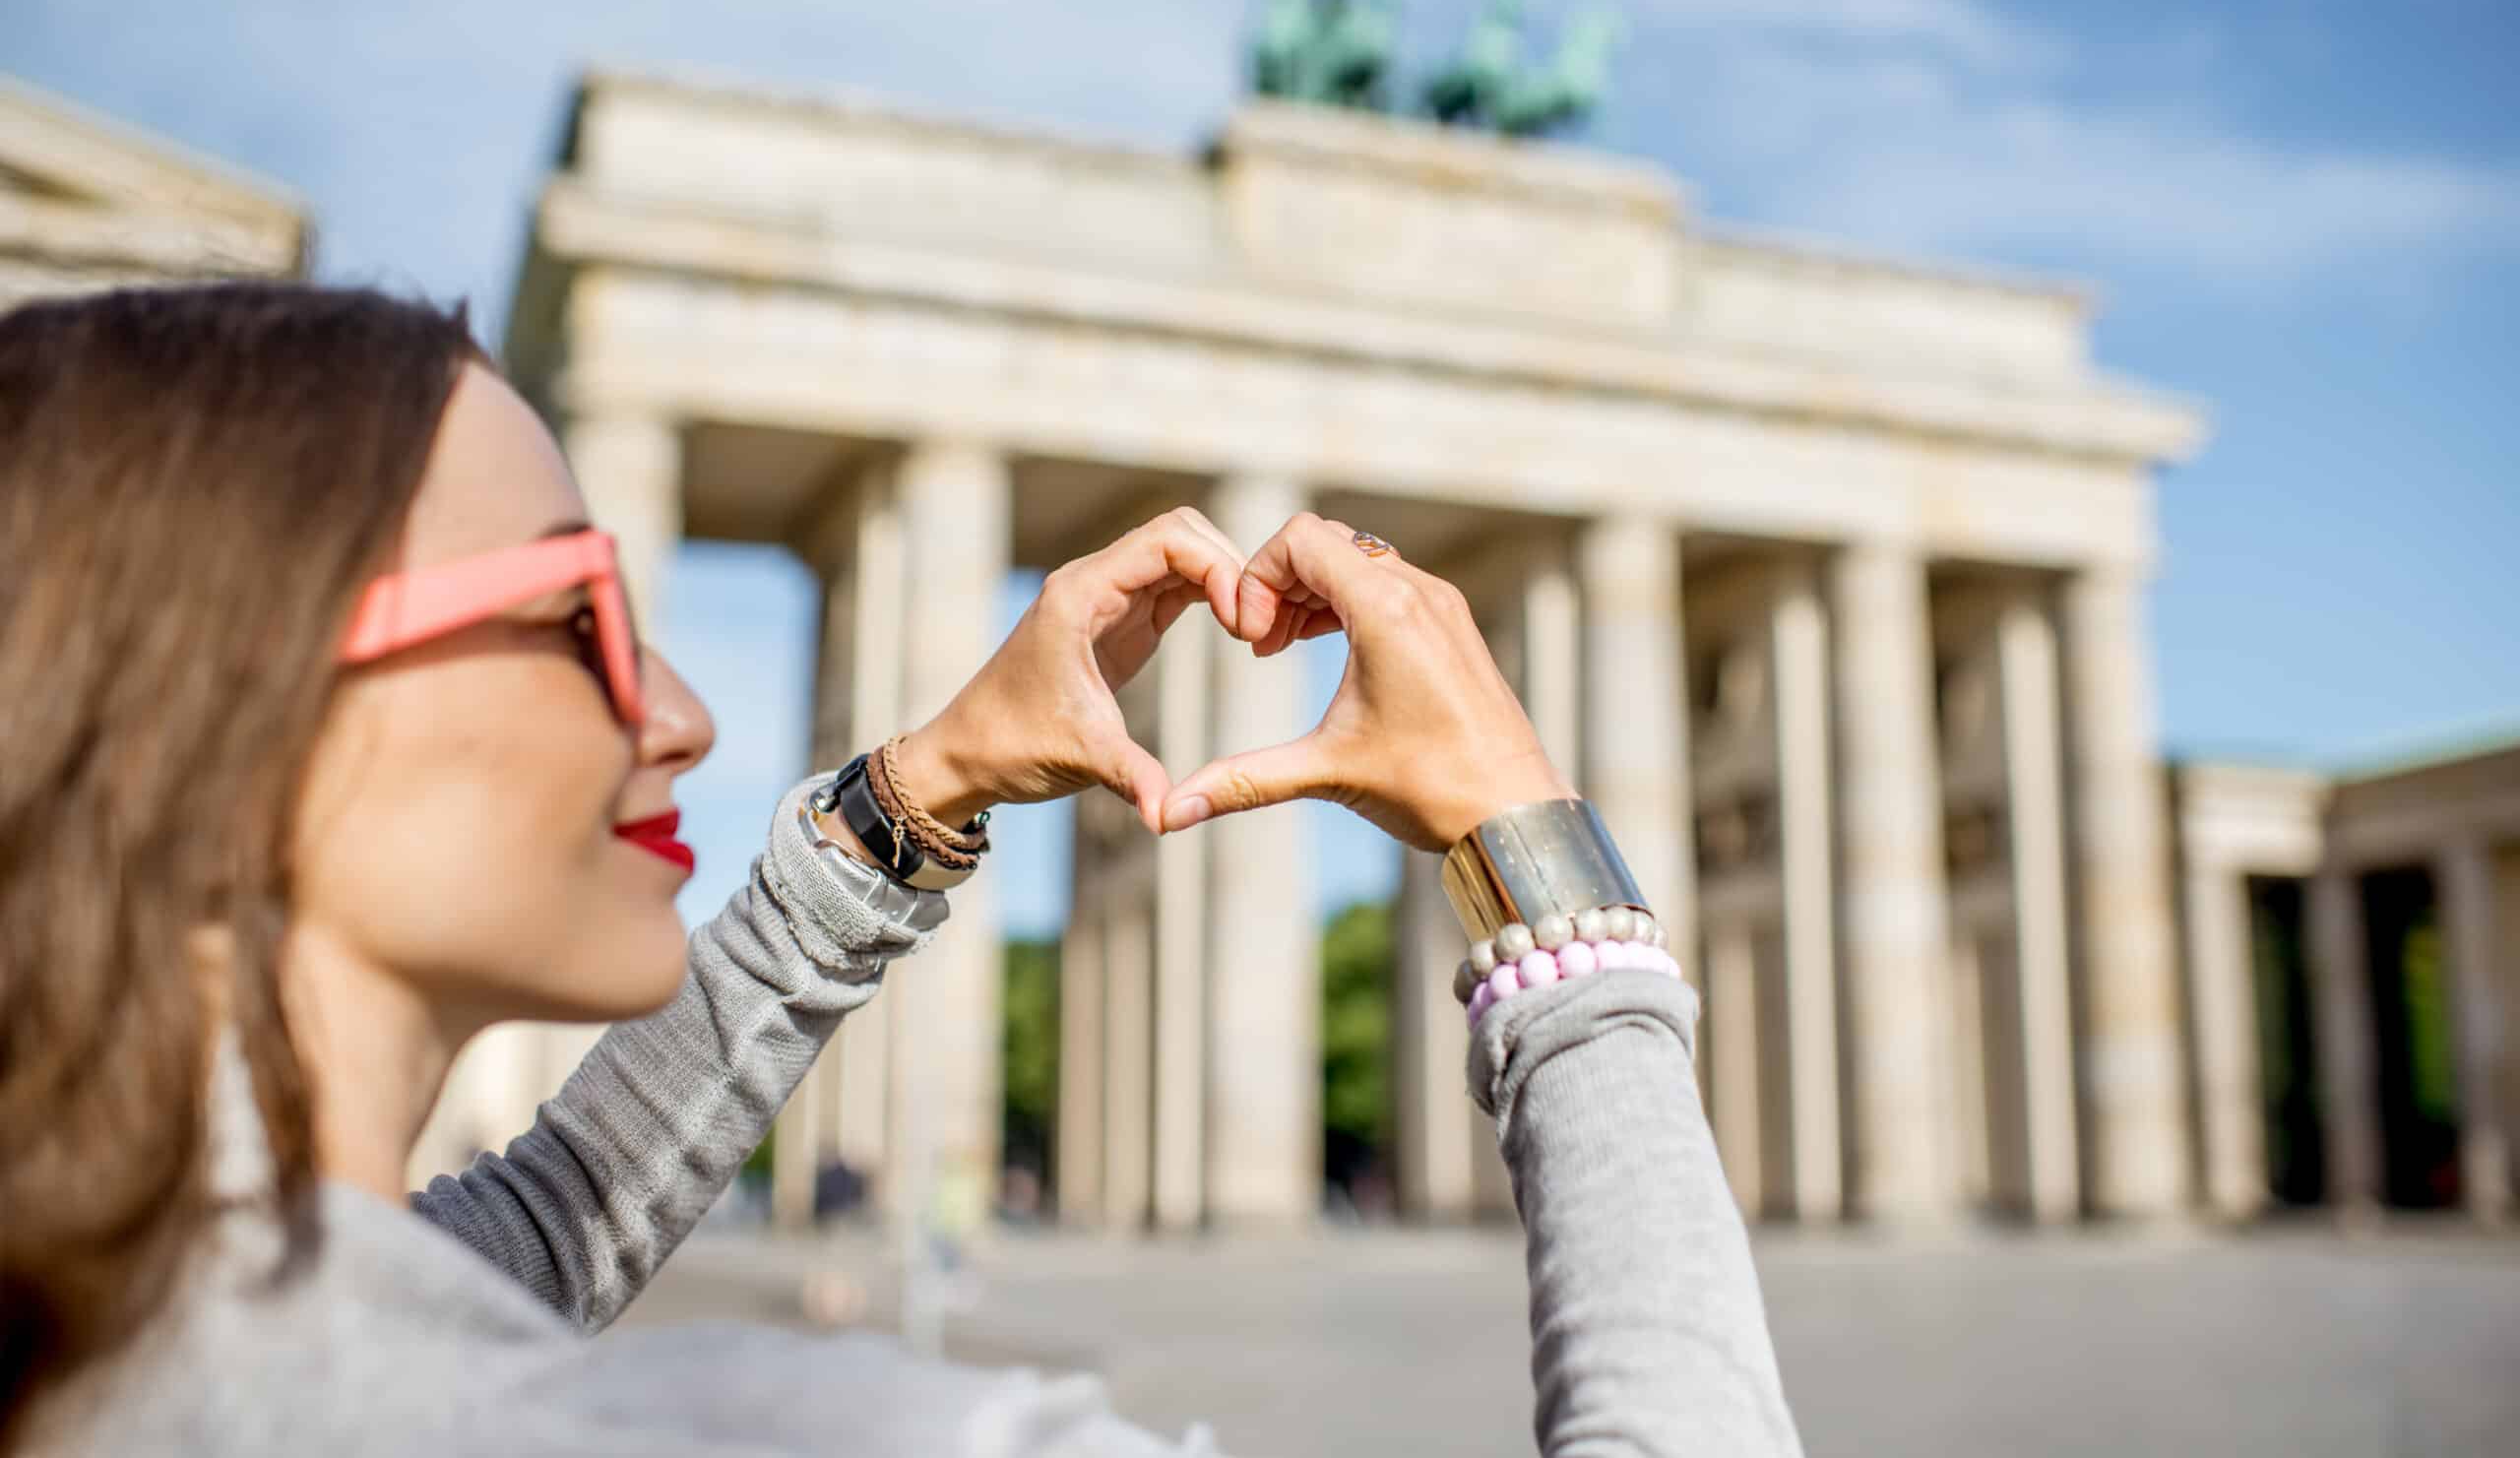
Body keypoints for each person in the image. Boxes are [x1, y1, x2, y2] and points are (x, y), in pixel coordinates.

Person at [0, 284, 1803, 1456]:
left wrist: (912, 796)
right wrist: (1546, 892)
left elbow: (533, 1235)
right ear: (225, 702)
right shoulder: (813, 1436)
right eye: (577, 615)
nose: (689, 709)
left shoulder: (100, 1340)